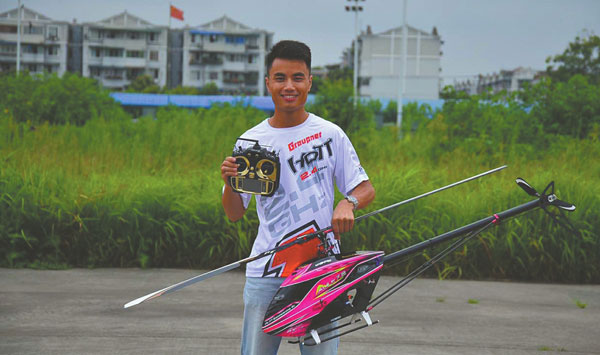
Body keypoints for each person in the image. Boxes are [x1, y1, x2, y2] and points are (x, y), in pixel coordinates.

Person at [220, 40, 375, 355]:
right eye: (280, 78)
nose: (288, 86)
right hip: (266, 271)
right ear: (268, 82)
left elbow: (364, 188)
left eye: (297, 77)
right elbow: (235, 213)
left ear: (309, 82)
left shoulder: (330, 134)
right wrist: (230, 183)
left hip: (322, 271)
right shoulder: (251, 140)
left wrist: (349, 202)